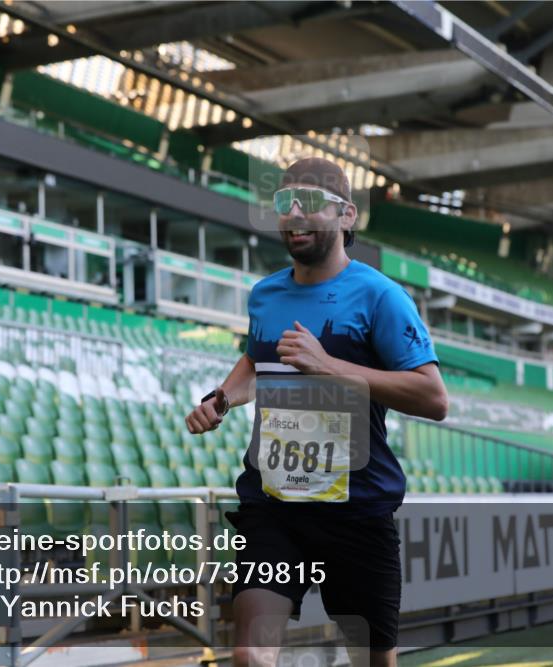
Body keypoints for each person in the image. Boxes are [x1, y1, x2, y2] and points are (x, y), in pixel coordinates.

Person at [185, 157, 448, 667]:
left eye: (310, 203)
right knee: (249, 656)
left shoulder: (380, 297)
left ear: (347, 215)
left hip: (356, 507)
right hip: (275, 506)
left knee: (373, 661)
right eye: (284, 203)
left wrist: (330, 367)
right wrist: (221, 399)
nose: (295, 214)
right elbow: (257, 358)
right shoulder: (266, 295)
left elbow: (433, 397)